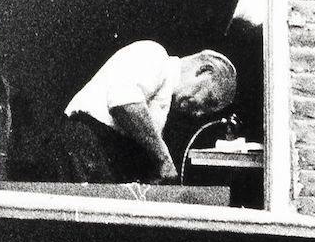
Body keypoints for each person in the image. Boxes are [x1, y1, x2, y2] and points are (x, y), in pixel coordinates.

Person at [58, 41, 238, 184]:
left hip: (97, 152)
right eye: (208, 101)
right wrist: (163, 159)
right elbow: (123, 102)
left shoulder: (162, 98)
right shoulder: (154, 54)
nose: (199, 114)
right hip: (86, 145)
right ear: (204, 71)